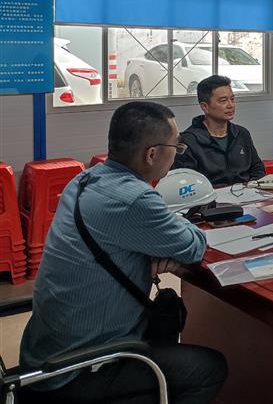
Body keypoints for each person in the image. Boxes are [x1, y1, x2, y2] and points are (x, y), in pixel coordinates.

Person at [19, 101, 227, 404]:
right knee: (208, 368)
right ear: (152, 154)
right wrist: (172, 231)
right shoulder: (135, 199)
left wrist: (155, 241)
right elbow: (194, 245)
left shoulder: (85, 179)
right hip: (76, 369)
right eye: (176, 146)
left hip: (44, 353)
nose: (178, 153)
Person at [173, 74, 264, 187]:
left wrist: (252, 186)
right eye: (223, 101)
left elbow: (257, 168)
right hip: (211, 196)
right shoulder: (188, 141)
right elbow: (186, 183)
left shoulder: (242, 133)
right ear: (205, 107)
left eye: (232, 99)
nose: (230, 105)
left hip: (247, 193)